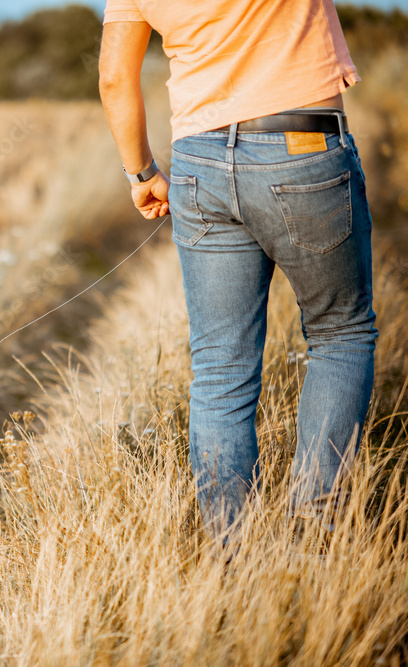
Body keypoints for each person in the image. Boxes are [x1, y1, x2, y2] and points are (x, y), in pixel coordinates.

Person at [98, 2, 378, 543]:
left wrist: (142, 172)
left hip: (198, 161)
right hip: (302, 141)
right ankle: (313, 534)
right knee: (341, 334)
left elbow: (114, 77)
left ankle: (234, 551)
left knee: (221, 368)